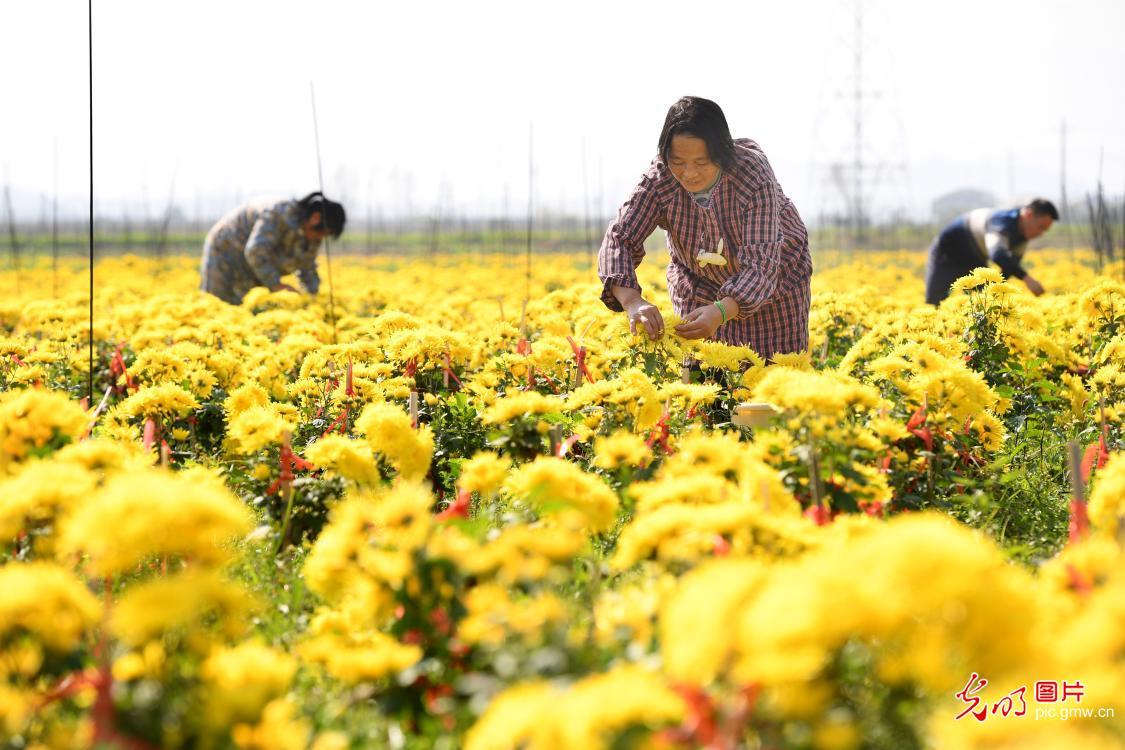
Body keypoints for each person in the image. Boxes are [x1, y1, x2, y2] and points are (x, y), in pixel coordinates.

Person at [597, 96, 812, 359]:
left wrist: (722, 311)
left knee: (773, 377)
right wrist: (633, 302)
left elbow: (761, 264)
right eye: (678, 162)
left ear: (722, 154)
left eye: (701, 162)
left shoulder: (751, 174)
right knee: (703, 378)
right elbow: (620, 238)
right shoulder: (660, 177)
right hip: (698, 285)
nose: (689, 173)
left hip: (774, 286)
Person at [200, 191, 345, 304]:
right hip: (225, 249)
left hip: (251, 263)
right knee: (217, 302)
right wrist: (276, 285)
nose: (320, 238)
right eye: (323, 232)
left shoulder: (312, 233)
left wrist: (313, 299)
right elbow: (255, 252)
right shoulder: (278, 214)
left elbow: (307, 265)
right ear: (315, 218)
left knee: (246, 306)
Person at [924, 199, 1057, 305]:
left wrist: (995, 290)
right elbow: (997, 254)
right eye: (1040, 227)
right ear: (1028, 215)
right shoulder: (1001, 222)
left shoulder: (1022, 236)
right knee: (934, 303)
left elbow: (1009, 267)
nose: (1040, 233)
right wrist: (1027, 279)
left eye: (1045, 230)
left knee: (983, 303)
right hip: (946, 254)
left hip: (975, 258)